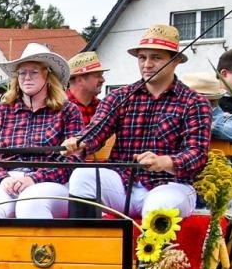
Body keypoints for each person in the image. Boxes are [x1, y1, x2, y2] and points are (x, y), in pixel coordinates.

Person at [64, 24, 211, 218]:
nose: (147, 64)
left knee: (159, 205)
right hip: (124, 183)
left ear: (175, 61)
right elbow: (95, 131)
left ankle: (154, 249)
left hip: (171, 185)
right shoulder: (120, 97)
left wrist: (164, 161)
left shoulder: (194, 102)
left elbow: (197, 155)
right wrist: (79, 143)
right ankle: (86, 245)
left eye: (156, 58)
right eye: (142, 57)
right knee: (83, 177)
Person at [0, 43, 84, 219]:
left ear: (48, 75)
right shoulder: (1, 111)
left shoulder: (67, 111)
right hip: (6, 179)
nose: (27, 77)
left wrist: (35, 178)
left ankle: (40, 247)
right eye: (22, 73)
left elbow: (73, 159)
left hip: (50, 182)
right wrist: (2, 178)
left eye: (34, 72)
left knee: (31, 203)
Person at [66, 51, 105, 123]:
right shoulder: (57, 107)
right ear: (79, 80)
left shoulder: (103, 107)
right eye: (98, 75)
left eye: (102, 75)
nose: (103, 80)